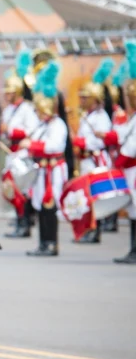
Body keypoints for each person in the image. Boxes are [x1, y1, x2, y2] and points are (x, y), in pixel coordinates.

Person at [23, 63, 69, 258]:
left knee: (50, 207)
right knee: (41, 206)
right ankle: (43, 242)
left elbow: (54, 146)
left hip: (53, 170)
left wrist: (32, 145)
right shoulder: (43, 125)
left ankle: (51, 243)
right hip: (42, 171)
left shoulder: (58, 124)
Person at [1, 62, 41, 239]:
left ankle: (25, 224)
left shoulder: (26, 108)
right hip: (11, 152)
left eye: (10, 92)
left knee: (22, 189)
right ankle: (19, 221)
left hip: (23, 153)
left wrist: (10, 130)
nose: (7, 95)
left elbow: (32, 129)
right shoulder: (8, 109)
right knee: (12, 188)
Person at [73, 75, 115, 243]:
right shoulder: (88, 116)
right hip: (86, 160)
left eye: (85, 97)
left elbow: (98, 141)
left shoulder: (101, 117)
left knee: (94, 196)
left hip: (95, 160)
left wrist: (79, 141)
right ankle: (89, 229)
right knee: (87, 195)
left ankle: (94, 230)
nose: (82, 100)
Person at [111, 52, 136, 264]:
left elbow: (132, 147)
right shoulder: (132, 118)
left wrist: (120, 160)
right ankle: (133, 249)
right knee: (133, 211)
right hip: (130, 170)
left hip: (133, 168)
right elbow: (123, 135)